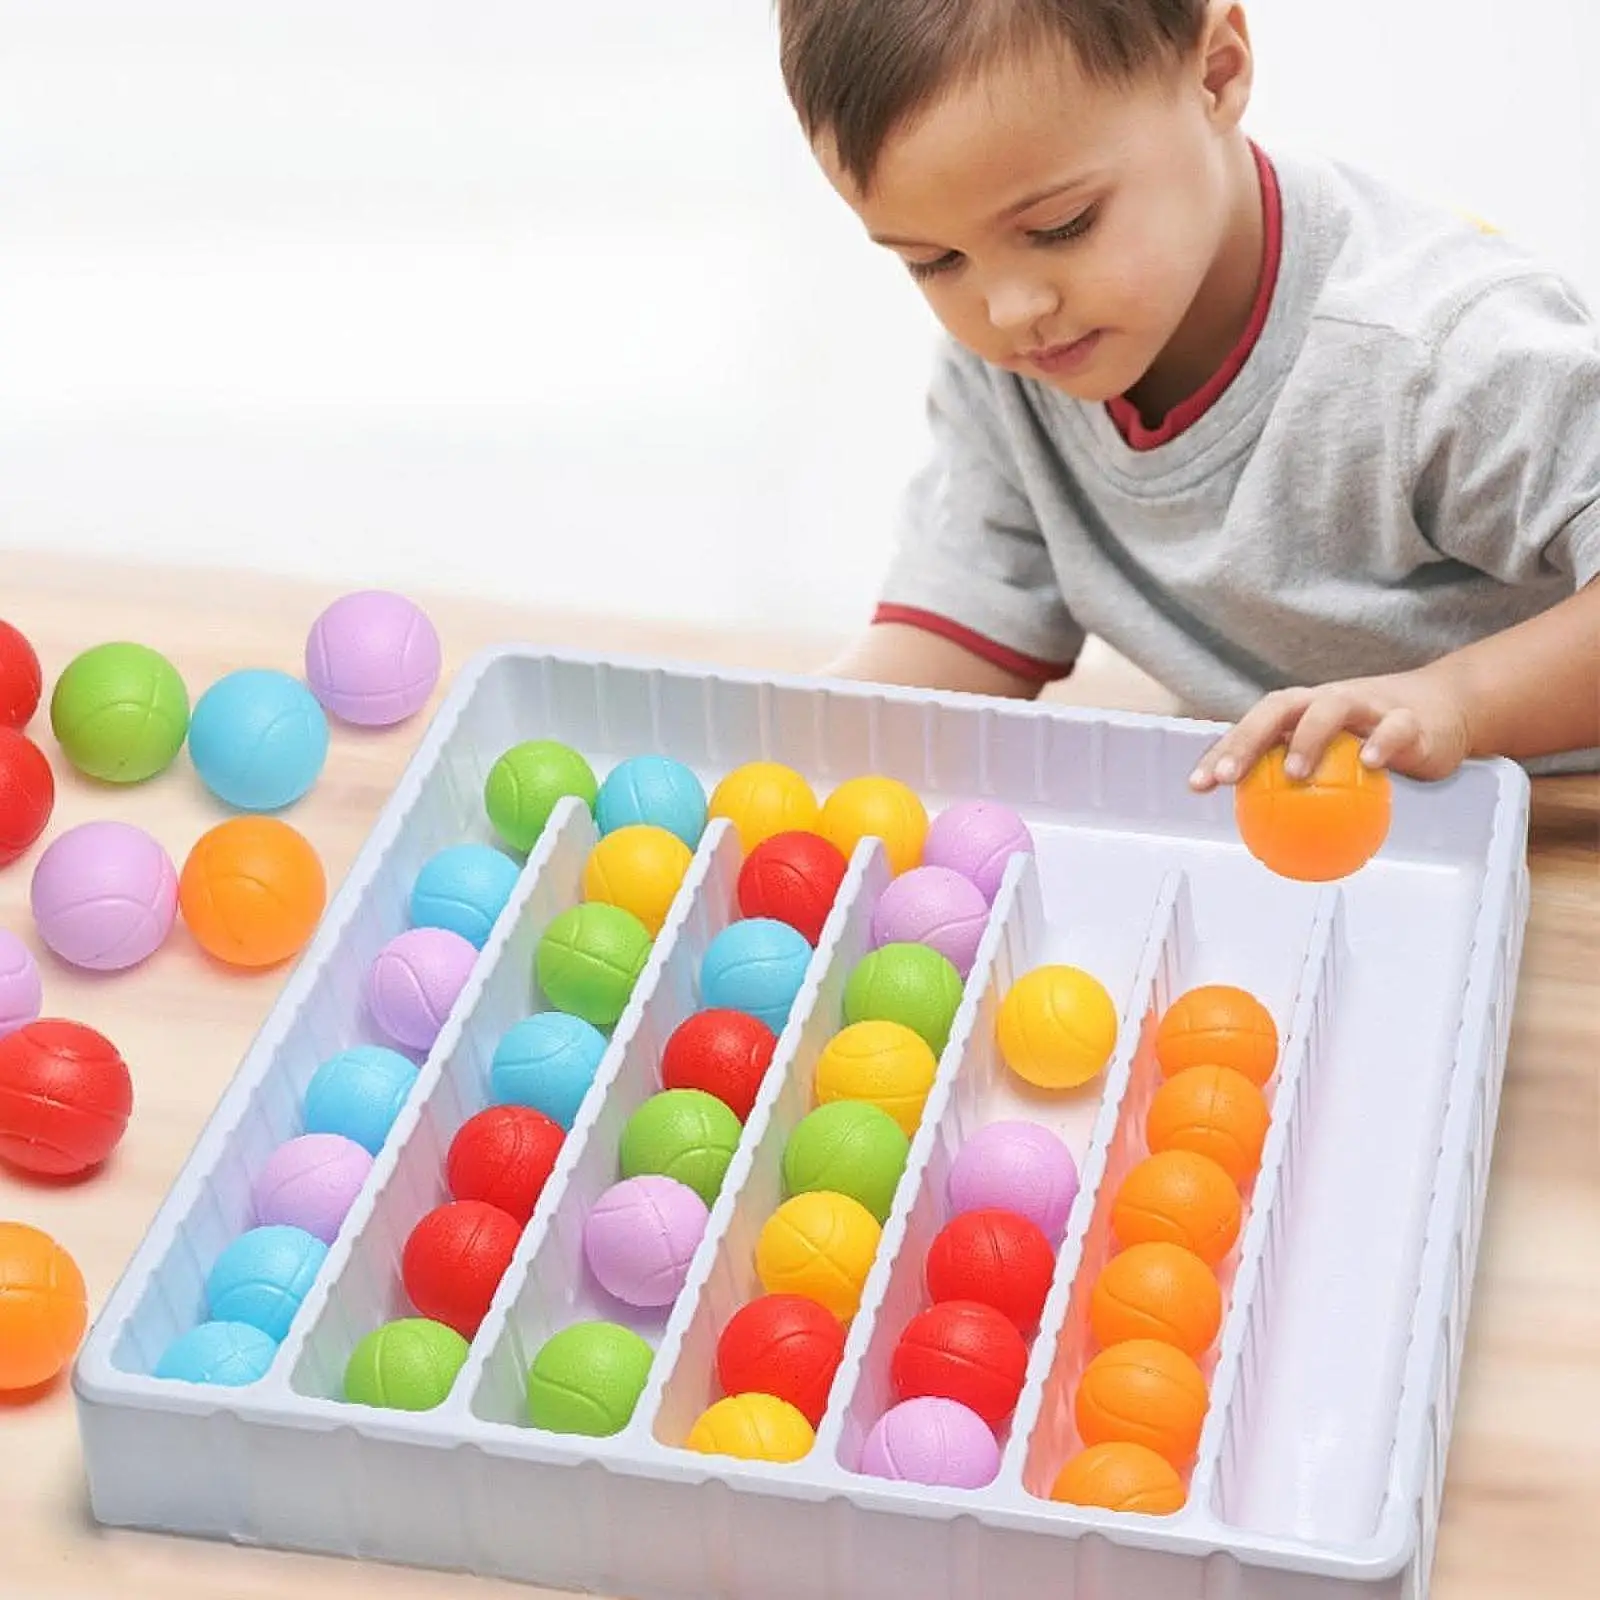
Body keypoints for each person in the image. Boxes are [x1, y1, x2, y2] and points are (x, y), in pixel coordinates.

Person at [775, 0, 1600, 782]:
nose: (1009, 310)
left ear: (1216, 72)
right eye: (933, 260)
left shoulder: (1433, 347)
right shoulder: (1014, 368)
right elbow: (963, 638)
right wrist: (782, 749)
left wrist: (1456, 704)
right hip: (1300, 843)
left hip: (1556, 826)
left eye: (1061, 226)